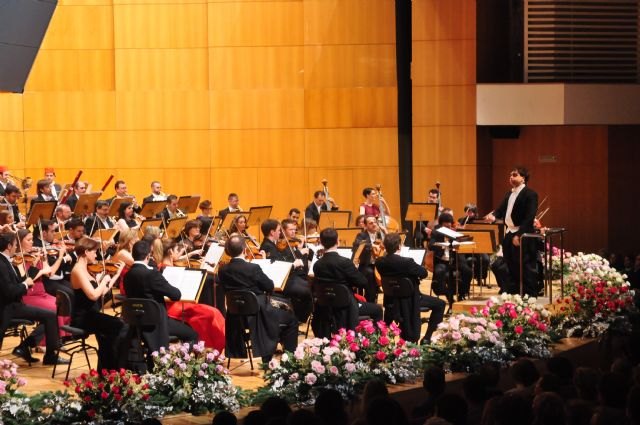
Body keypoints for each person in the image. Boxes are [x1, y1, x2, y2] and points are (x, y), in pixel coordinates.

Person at [218, 234, 298, 361]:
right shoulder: (252, 268)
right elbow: (269, 286)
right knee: (291, 318)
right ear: (245, 250)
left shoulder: (222, 270)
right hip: (258, 314)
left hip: (236, 317)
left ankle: (273, 349)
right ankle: (289, 357)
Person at [0, 232, 66, 365]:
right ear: (8, 246)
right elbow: (10, 291)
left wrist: (34, 267)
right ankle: (47, 355)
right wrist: (25, 284)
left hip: (15, 305)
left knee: (51, 315)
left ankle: (41, 352)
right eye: (15, 245)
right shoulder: (2, 263)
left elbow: (20, 281)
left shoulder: (6, 260)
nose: (16, 247)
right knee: (52, 314)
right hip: (9, 307)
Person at [123, 240, 199, 352]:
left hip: (136, 322)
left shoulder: (128, 275)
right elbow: (176, 295)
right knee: (192, 335)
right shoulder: (152, 274)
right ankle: (174, 357)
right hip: (156, 322)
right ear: (149, 255)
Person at [375, 233, 445, 344]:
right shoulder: (407, 262)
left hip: (391, 300)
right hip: (410, 299)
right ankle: (427, 338)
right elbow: (424, 273)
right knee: (440, 304)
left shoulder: (379, 262)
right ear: (399, 246)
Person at [312, 227, 382, 337]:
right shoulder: (344, 262)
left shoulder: (317, 265)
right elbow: (362, 282)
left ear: (321, 242)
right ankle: (375, 342)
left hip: (325, 306)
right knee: (377, 309)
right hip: (346, 305)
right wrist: (354, 269)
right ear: (337, 241)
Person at [70, 237, 126, 370]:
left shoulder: (86, 268)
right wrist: (103, 280)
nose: (96, 254)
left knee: (110, 331)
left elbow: (102, 291)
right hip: (83, 317)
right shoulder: (78, 270)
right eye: (94, 251)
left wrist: (115, 275)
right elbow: (93, 295)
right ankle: (110, 367)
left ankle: (107, 368)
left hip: (92, 314)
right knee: (118, 325)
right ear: (86, 252)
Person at [485, 166, 539, 296]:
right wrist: (493, 216)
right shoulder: (509, 193)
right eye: (510, 175)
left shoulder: (530, 194)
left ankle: (530, 294)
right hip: (509, 232)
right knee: (510, 263)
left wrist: (519, 234)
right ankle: (515, 292)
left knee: (525, 266)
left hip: (523, 233)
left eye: (514, 175)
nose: (511, 177)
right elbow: (501, 209)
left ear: (523, 178)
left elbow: (529, 217)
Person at [259, 219, 313, 322]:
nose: (280, 233)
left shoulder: (272, 244)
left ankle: (297, 318)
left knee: (308, 287)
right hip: (279, 282)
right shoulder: (268, 247)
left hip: (285, 278)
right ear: (272, 232)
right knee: (306, 291)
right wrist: (294, 264)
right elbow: (278, 268)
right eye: (279, 230)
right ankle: (297, 320)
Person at [429, 213, 472, 303]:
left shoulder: (454, 233)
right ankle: (449, 296)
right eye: (446, 227)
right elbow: (430, 246)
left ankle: (462, 293)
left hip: (455, 259)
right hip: (442, 261)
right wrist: (443, 245)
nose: (448, 229)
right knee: (439, 272)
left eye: (449, 226)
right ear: (441, 225)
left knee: (467, 271)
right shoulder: (436, 233)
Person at [352, 215, 385, 303]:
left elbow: (389, 243)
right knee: (370, 274)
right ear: (366, 226)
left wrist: (385, 231)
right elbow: (357, 243)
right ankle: (370, 300)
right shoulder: (361, 235)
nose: (374, 224)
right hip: (365, 265)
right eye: (371, 223)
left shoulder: (379, 235)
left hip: (377, 265)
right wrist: (371, 245)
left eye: (375, 222)